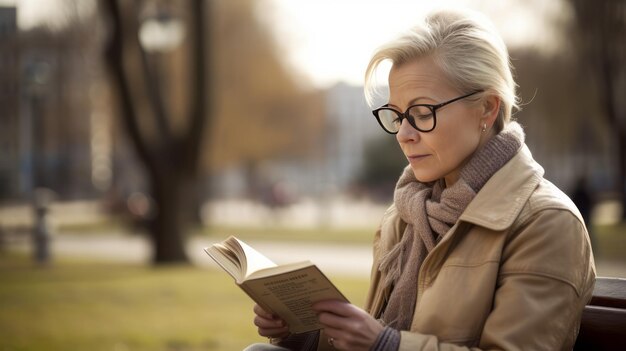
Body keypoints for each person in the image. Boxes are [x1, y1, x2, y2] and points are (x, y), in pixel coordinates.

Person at [246, 8, 595, 351]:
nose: (403, 134)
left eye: (422, 112)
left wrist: (386, 345)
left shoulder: (547, 224)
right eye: (397, 115)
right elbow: (372, 336)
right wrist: (301, 332)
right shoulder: (406, 214)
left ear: (487, 108)